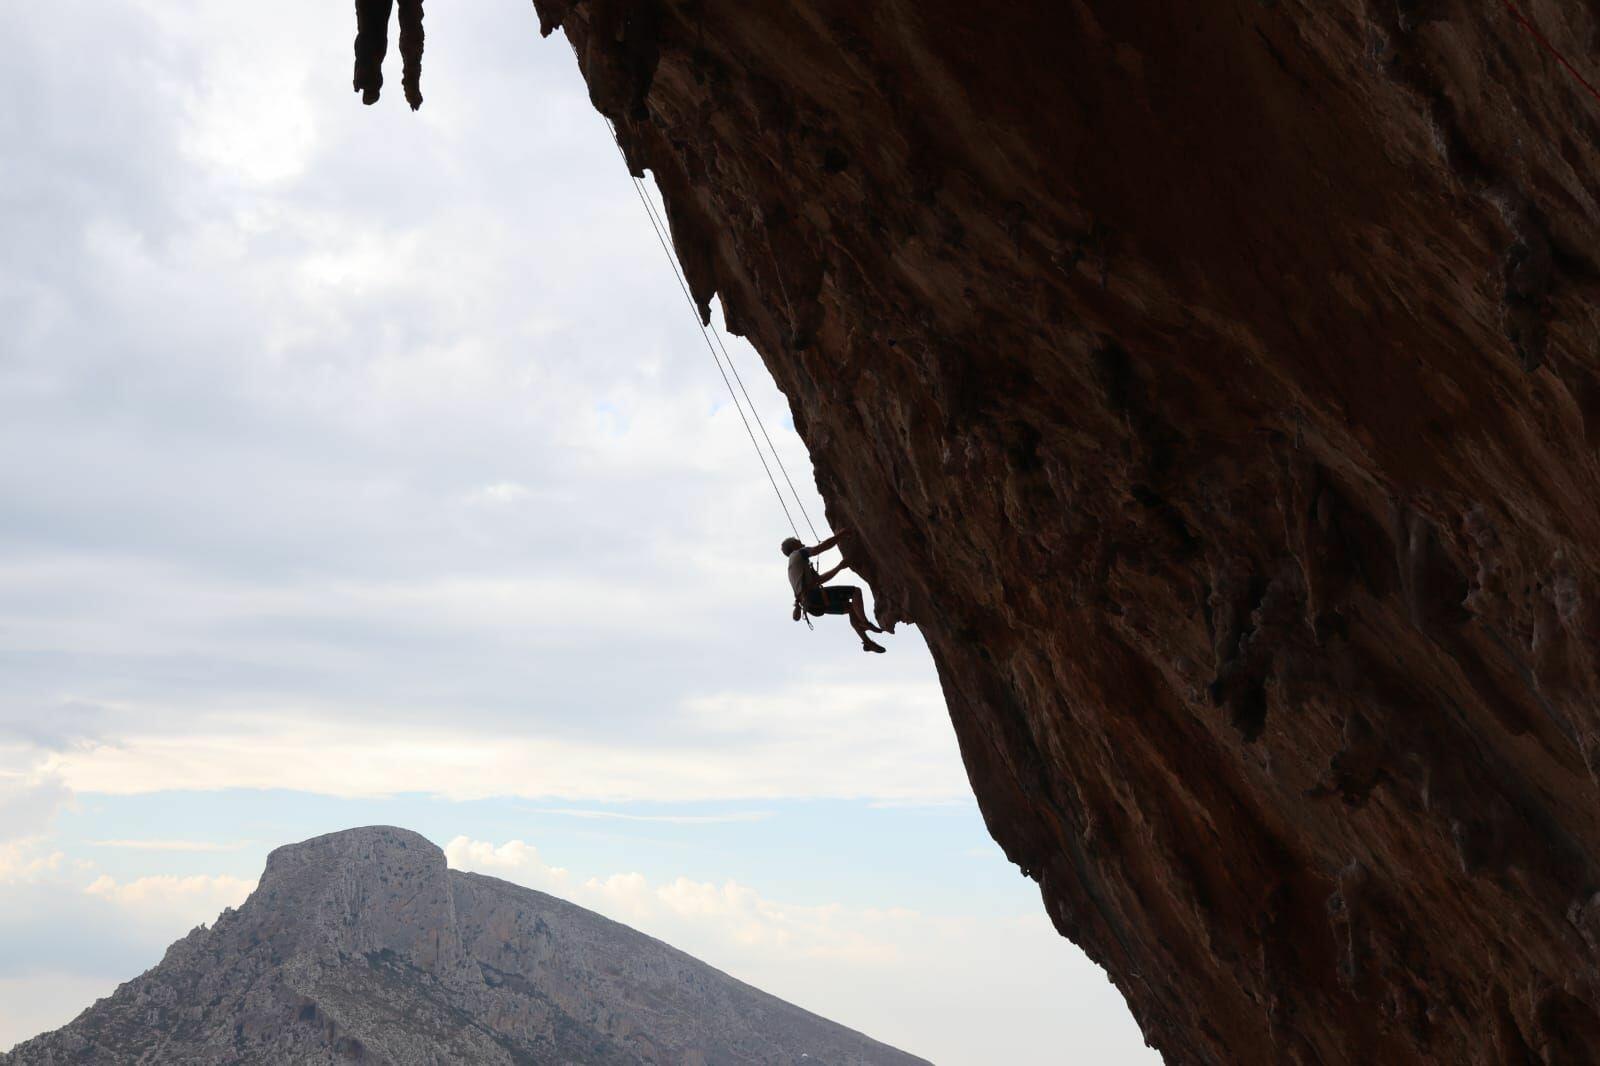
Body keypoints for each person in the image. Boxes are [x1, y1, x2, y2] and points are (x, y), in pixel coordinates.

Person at [782, 531, 888, 653]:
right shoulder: (798, 553)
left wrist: (839, 567)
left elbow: (820, 580)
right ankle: (864, 623)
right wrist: (842, 534)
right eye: (796, 540)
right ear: (793, 545)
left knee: (850, 608)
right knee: (855, 592)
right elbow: (820, 548)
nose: (799, 540)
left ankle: (867, 642)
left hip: (811, 605)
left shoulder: (795, 566)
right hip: (814, 597)